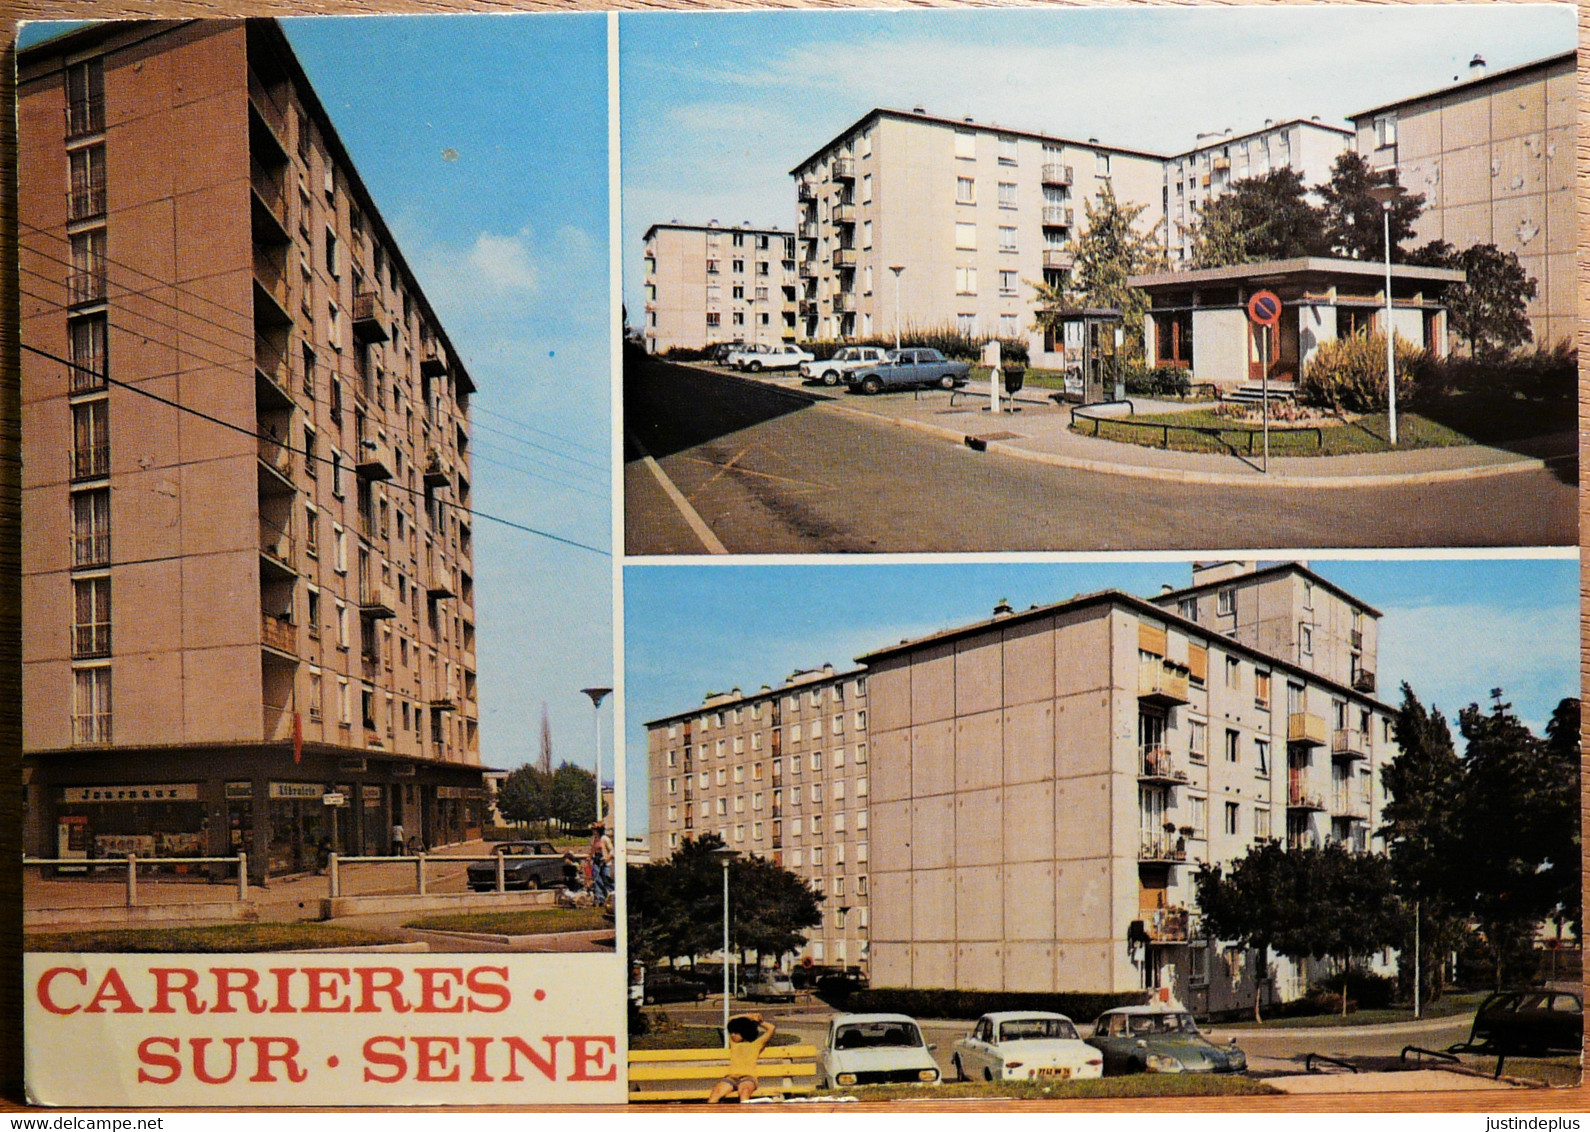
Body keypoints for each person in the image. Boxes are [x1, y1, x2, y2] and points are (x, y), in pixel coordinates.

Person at [707, 1013, 775, 1104]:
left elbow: (771, 1028)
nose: (732, 1035)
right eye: (731, 1032)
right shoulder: (734, 1044)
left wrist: (757, 1021)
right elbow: (730, 1019)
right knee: (715, 1093)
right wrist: (749, 1016)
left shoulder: (756, 1044)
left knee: (744, 1092)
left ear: (745, 1031)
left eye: (736, 1032)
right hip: (731, 1078)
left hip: (748, 1078)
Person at [589, 820, 613, 901]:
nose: (593, 831)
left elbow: (612, 850)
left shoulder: (605, 839)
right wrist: (589, 857)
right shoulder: (594, 839)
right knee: (597, 878)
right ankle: (599, 898)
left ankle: (613, 894)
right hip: (597, 860)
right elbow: (592, 850)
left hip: (605, 861)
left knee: (606, 878)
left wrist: (607, 857)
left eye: (594, 829)